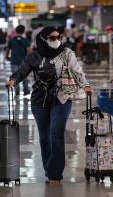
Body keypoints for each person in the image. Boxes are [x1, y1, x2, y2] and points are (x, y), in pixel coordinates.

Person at [5, 26, 92, 185]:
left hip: (62, 98)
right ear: (43, 39)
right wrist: (13, 80)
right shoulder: (35, 56)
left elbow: (77, 71)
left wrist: (85, 85)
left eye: (58, 36)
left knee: (56, 133)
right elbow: (22, 70)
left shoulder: (67, 53)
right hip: (40, 100)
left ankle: (55, 174)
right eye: (52, 38)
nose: (56, 40)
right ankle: (49, 168)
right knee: (44, 136)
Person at [4, 25, 32, 95]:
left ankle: (17, 91)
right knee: (24, 76)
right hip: (24, 61)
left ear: (16, 31)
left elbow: (7, 50)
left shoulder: (11, 40)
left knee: (15, 76)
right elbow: (29, 51)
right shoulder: (26, 40)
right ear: (23, 31)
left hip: (14, 61)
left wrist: (6, 57)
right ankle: (26, 90)